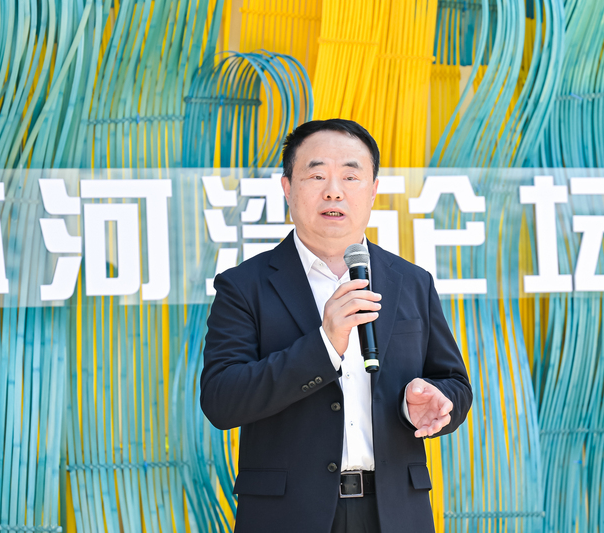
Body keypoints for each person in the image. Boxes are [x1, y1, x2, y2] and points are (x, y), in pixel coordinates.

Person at [200, 119, 472, 532]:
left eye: (350, 175)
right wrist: (325, 345)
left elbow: (454, 384)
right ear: (287, 188)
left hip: (395, 514)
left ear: (373, 190)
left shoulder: (411, 281)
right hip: (288, 517)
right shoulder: (244, 286)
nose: (333, 191)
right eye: (316, 175)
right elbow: (222, 400)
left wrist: (426, 403)